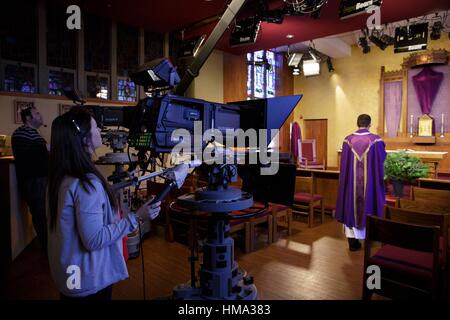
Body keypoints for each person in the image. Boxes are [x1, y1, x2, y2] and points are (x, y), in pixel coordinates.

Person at [47, 107, 161, 300]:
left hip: (70, 277)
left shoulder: (60, 178)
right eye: (95, 127)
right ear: (85, 139)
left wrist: (116, 188)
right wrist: (137, 217)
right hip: (89, 283)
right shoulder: (86, 183)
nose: (100, 131)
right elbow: (94, 239)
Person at [335, 114, 386, 251]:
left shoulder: (348, 140)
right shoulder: (376, 140)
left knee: (351, 206)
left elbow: (344, 166)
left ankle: (352, 243)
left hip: (351, 186)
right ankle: (369, 240)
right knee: (370, 204)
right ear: (370, 124)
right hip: (368, 185)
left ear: (357, 123)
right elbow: (382, 161)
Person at [11, 106, 49, 252]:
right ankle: (46, 248)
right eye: (37, 113)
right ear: (28, 118)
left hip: (41, 179)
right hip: (33, 180)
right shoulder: (21, 133)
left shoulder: (34, 134)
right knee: (39, 212)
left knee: (44, 212)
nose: (40, 115)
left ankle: (48, 245)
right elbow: (33, 155)